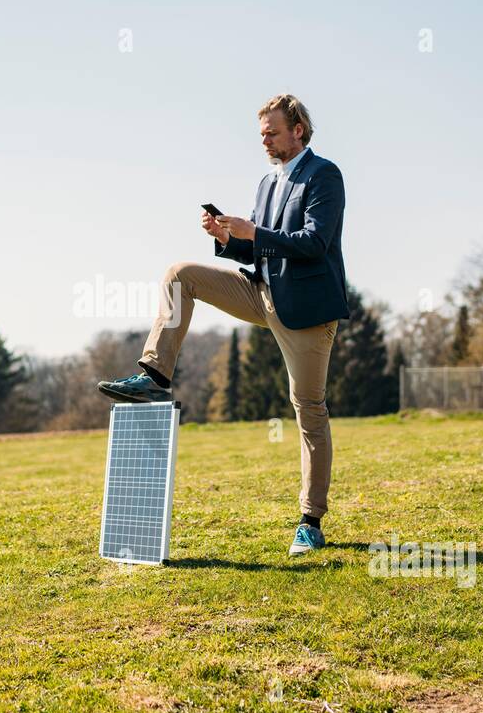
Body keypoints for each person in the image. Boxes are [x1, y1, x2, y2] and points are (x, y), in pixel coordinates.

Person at [97, 94, 350, 556]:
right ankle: (155, 374)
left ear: (298, 129)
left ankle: (310, 522)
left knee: (308, 409)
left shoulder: (324, 175)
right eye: (261, 134)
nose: (266, 140)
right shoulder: (266, 183)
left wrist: (254, 233)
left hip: (308, 311)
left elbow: (314, 243)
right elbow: (259, 251)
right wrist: (229, 239)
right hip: (262, 292)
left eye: (273, 131)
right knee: (181, 275)